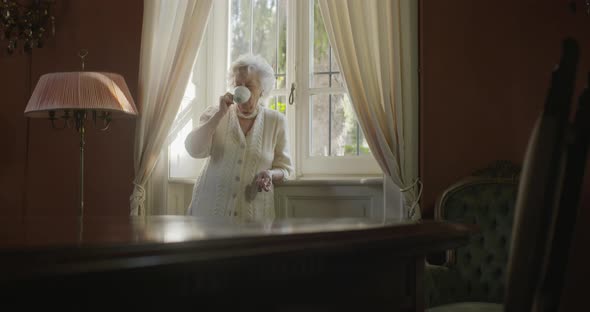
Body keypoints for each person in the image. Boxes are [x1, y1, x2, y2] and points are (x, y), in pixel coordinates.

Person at [185, 54, 293, 222]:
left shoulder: (276, 121)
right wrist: (220, 114)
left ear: (262, 90)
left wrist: (270, 174)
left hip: (254, 219)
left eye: (249, 85)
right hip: (208, 214)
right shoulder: (215, 113)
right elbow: (194, 149)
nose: (242, 90)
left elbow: (286, 169)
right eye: (238, 85)